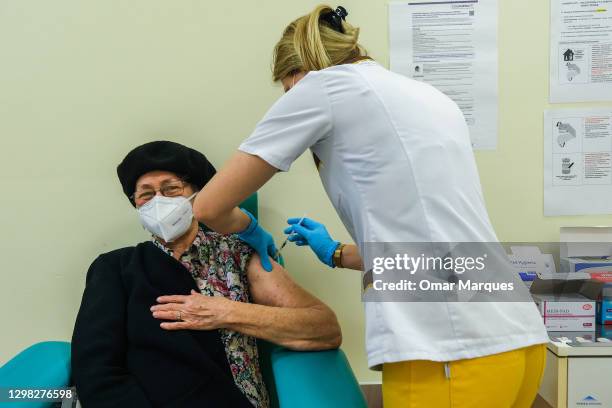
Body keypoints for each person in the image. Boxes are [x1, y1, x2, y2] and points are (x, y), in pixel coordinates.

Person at [191, 5, 549, 408]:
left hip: (446, 346)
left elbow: (208, 207)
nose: (290, 100)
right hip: (517, 340)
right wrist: (338, 253)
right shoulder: (426, 95)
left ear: (299, 72)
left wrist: (250, 229)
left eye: (288, 90)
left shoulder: (322, 87)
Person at [71, 141, 341, 408]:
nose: (158, 201)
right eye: (146, 194)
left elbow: (324, 328)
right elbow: (95, 370)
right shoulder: (115, 267)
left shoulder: (239, 255)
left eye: (171, 189)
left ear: (198, 195)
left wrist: (225, 313)